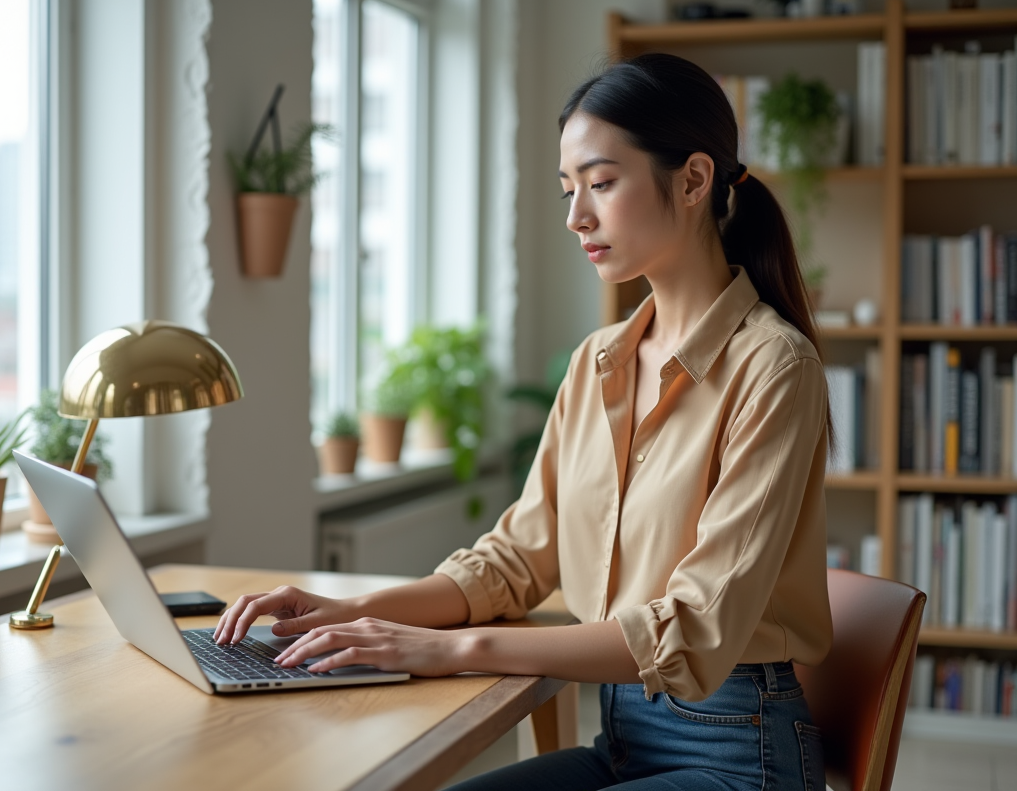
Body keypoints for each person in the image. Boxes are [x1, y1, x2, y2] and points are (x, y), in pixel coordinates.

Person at [214, 52, 833, 791]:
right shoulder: (599, 361)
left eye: (602, 184)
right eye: (569, 190)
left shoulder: (774, 368)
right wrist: (349, 610)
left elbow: (696, 631)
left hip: (741, 754)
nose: (576, 217)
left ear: (695, 180)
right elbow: (514, 563)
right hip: (625, 739)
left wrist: (447, 649)